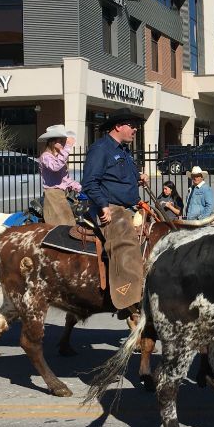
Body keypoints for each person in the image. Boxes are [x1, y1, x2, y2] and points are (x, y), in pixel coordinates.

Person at [81, 108, 148, 309]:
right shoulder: (100, 148)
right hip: (110, 207)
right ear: (118, 126)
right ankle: (128, 301)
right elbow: (90, 182)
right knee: (126, 243)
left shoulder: (123, 151)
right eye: (132, 126)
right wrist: (103, 206)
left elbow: (120, 177)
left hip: (129, 206)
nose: (135, 130)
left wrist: (139, 178)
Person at [38, 125, 81, 226]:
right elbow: (55, 167)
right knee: (64, 226)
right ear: (52, 143)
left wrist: (80, 187)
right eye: (61, 141)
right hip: (53, 195)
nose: (64, 143)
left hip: (63, 195)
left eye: (64, 141)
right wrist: (67, 148)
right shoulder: (45, 156)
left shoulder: (59, 158)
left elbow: (65, 179)